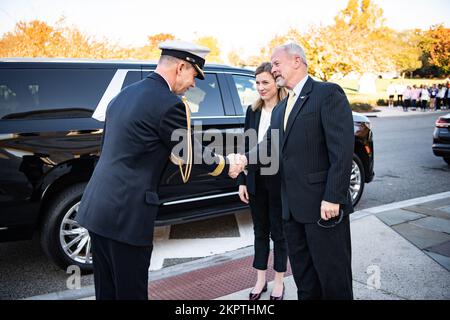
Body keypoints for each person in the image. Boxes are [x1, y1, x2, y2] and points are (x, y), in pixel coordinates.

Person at [75, 40, 242, 300]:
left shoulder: (124, 94)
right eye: (194, 76)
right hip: (126, 217)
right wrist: (228, 164)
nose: (194, 85)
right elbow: (191, 154)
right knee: (131, 293)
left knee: (107, 292)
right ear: (181, 67)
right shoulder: (168, 103)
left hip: (98, 209)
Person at [233, 42, 354, 300]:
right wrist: (242, 161)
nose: (273, 69)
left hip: (323, 209)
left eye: (277, 63)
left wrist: (333, 196)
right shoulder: (280, 108)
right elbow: (268, 147)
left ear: (297, 61)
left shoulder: (327, 94)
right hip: (292, 212)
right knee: (305, 281)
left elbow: (342, 151)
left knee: (334, 281)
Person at [237, 62, 288, 300]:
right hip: (256, 179)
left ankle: (279, 281)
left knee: (279, 232)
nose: (260, 87)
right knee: (260, 231)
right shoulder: (253, 111)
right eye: (257, 83)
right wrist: (243, 181)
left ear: (277, 82)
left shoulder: (287, 109)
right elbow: (245, 146)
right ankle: (260, 280)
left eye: (265, 82)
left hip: (280, 180)